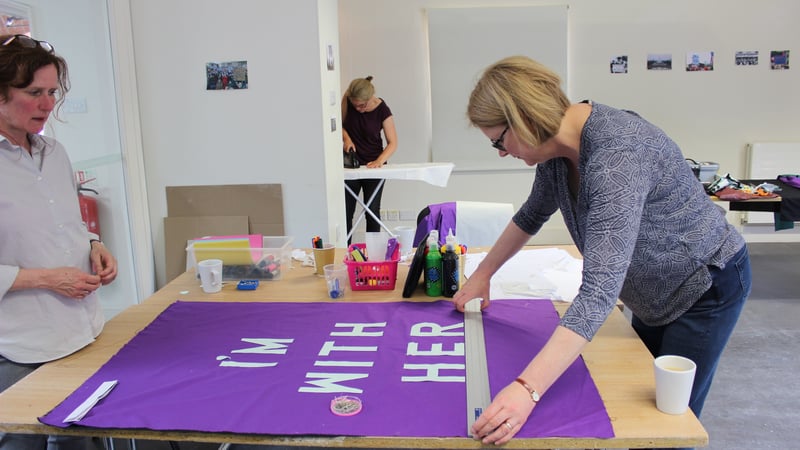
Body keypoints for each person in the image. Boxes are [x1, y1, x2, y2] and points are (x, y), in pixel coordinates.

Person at [452, 56, 750, 448]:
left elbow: (598, 292)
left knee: (668, 426)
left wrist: (527, 390)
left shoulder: (617, 156)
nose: (501, 152)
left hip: (702, 287)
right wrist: (482, 275)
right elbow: (532, 213)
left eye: (498, 140)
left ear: (523, 118)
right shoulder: (558, 150)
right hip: (651, 292)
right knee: (638, 410)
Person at [0, 34, 118, 449]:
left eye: (52, 92)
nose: (48, 104)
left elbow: (63, 222)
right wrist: (46, 280)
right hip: (21, 346)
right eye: (34, 93)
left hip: (82, 330)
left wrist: (93, 246)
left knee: (79, 441)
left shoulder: (54, 151)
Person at [341, 76, 397, 242]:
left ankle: (374, 253)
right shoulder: (347, 102)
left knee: (372, 210)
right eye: (355, 105)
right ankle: (346, 252)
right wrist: (347, 138)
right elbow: (337, 124)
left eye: (362, 105)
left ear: (370, 98)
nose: (358, 109)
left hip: (374, 166)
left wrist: (380, 161)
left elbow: (393, 143)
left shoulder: (382, 110)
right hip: (351, 166)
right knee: (346, 211)